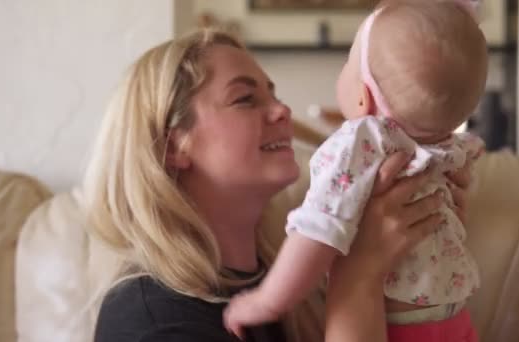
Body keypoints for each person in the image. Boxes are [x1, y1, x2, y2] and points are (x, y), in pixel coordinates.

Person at [86, 27, 472, 342]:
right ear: (174, 146)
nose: (282, 110)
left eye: (273, 93)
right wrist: (360, 272)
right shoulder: (153, 323)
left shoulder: (286, 279)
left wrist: (427, 230)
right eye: (245, 99)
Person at [224, 0, 488, 341]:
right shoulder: (452, 149)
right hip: (455, 319)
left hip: (397, 327)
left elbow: (318, 230)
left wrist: (267, 300)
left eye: (348, 61)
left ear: (363, 97)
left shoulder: (362, 142)